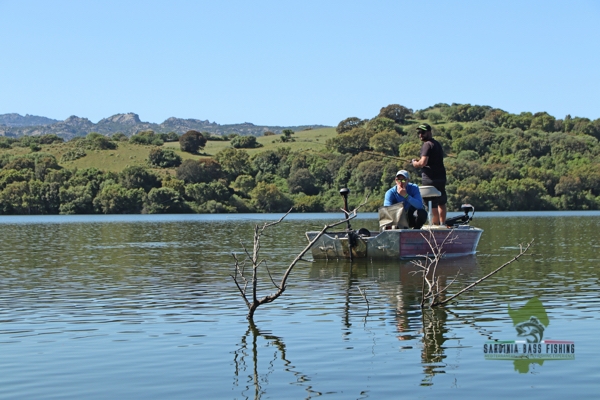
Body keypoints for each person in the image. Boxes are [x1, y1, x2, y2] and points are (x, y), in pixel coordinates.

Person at [411, 123, 447, 225]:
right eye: (419, 132)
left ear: (429, 132)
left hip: (430, 179)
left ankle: (434, 226)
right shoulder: (437, 144)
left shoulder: (427, 145)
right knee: (441, 201)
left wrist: (415, 163)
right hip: (441, 178)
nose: (420, 135)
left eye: (423, 132)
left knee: (431, 203)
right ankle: (442, 224)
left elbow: (423, 163)